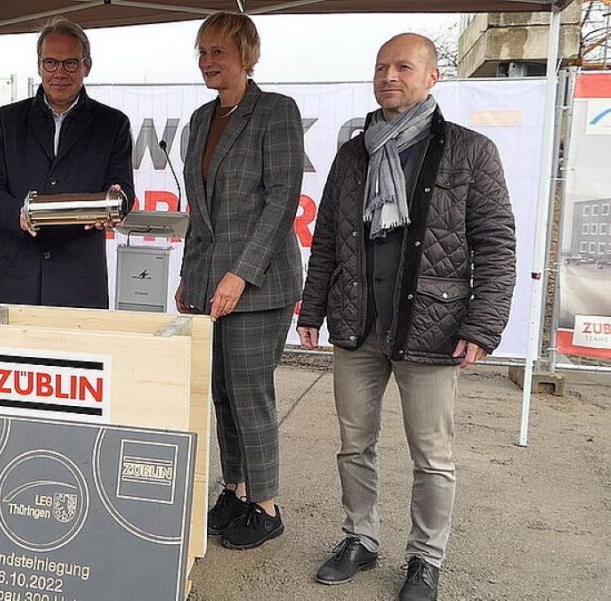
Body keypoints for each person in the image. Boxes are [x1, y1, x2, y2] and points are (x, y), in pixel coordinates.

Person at [297, 33, 516, 601]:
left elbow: (495, 244)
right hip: (358, 324)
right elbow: (327, 240)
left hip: (433, 329)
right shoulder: (354, 153)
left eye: (403, 67)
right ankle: (360, 539)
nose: (389, 77)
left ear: (432, 77)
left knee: (432, 455)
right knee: (353, 444)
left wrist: (482, 326)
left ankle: (425, 559)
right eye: (381, 67)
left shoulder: (470, 151)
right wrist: (312, 308)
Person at [173, 12, 305, 551]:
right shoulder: (202, 118)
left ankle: (266, 506)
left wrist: (239, 275)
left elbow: (282, 202)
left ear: (246, 55)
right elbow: (200, 212)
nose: (208, 62)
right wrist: (191, 276)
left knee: (250, 395)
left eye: (219, 52)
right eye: (202, 52)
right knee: (222, 394)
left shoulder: (276, 111)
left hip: (260, 286)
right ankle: (236, 489)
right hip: (209, 284)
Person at [0, 16, 134, 309]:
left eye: (70, 63)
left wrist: (115, 202)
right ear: (39, 66)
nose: (59, 72)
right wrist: (18, 214)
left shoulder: (113, 124)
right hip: (17, 281)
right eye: (50, 63)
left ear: (86, 66)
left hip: (79, 283)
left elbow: (123, 189)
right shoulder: (8, 121)